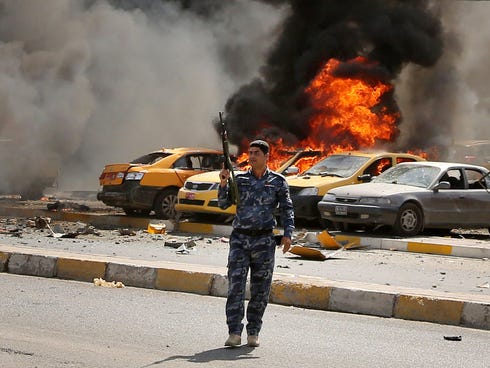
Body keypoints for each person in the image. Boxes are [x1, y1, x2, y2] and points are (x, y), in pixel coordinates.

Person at [218, 139, 294, 348]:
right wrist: (224, 183)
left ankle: (253, 331)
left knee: (261, 289)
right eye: (250, 153)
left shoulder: (278, 181)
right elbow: (224, 204)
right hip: (240, 240)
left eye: (256, 153)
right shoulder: (240, 180)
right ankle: (234, 332)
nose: (251, 156)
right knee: (236, 287)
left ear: (266, 156)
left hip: (264, 241)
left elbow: (287, 209)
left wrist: (288, 234)